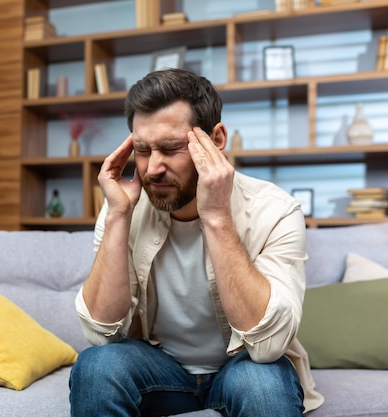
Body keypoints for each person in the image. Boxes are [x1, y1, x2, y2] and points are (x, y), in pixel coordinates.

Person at [69, 68, 324, 417]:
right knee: (97, 365)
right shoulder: (123, 207)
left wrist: (216, 215)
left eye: (171, 148)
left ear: (216, 139)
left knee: (263, 381)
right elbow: (100, 334)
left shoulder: (275, 210)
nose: (153, 168)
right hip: (161, 372)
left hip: (242, 368)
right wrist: (117, 216)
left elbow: (267, 347)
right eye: (142, 150)